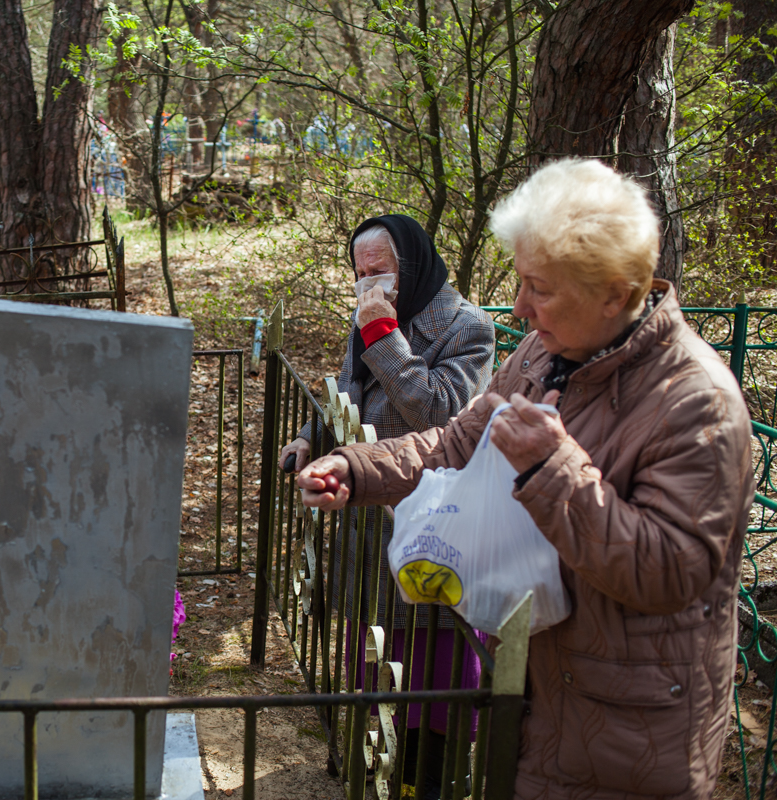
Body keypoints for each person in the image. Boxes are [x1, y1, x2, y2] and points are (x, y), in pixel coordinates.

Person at [298, 158, 752, 799]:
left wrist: (551, 468)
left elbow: (669, 571)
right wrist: (356, 465)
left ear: (616, 293)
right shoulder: (546, 351)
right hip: (534, 681)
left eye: (539, 287)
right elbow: (455, 439)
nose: (519, 306)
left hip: (624, 727)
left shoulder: (697, 402)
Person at [279, 214, 495, 794]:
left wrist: (383, 337)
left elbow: (443, 417)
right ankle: (368, 760)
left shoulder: (467, 328)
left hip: (429, 524)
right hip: (368, 519)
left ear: (414, 265)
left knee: (427, 675)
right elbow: (348, 391)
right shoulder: (372, 317)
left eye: (381, 270)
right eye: (360, 272)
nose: (369, 282)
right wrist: (310, 435)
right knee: (374, 662)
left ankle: (429, 780)